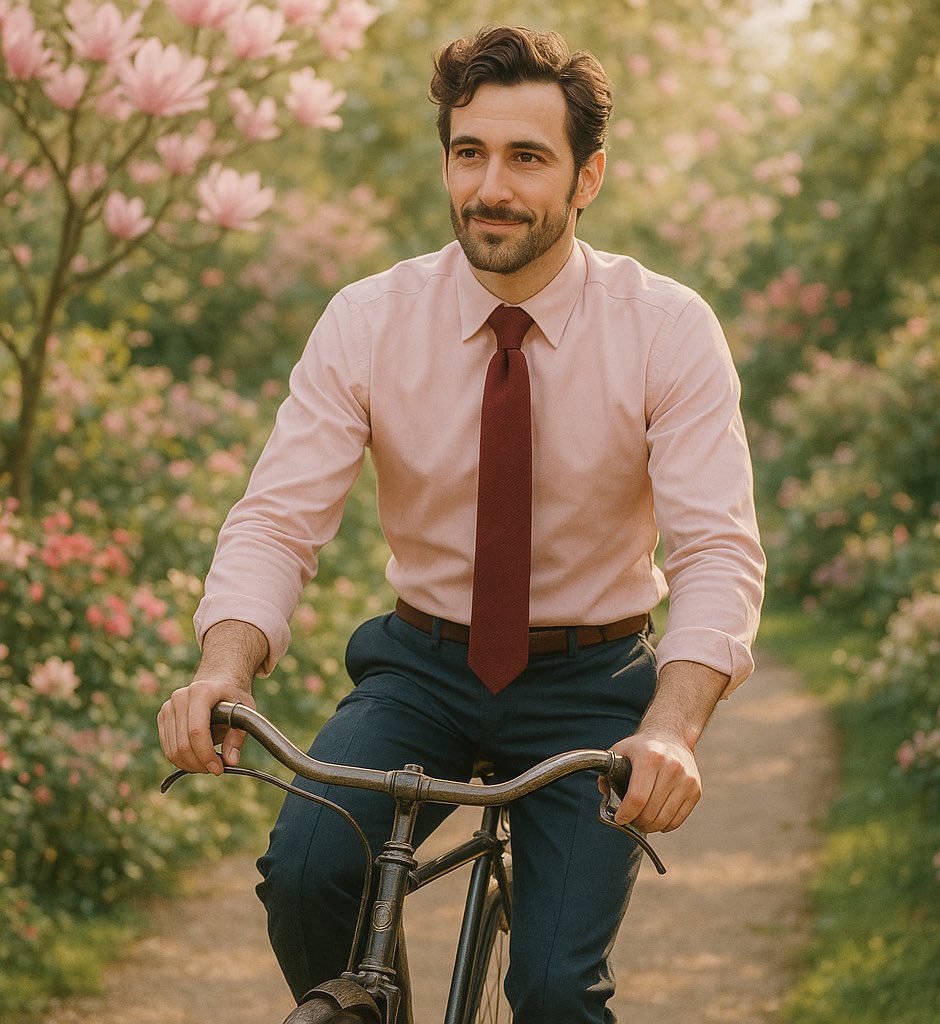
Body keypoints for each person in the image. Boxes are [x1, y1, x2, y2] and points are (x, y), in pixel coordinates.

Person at [158, 24, 765, 1024]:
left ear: (587, 176)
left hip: (593, 685)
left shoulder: (665, 328)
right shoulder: (368, 319)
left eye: (528, 157)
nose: (491, 186)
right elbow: (276, 520)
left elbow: (715, 549)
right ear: (445, 157)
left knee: (557, 990)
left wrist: (673, 728)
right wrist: (222, 668)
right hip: (421, 670)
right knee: (306, 875)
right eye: (469, 152)